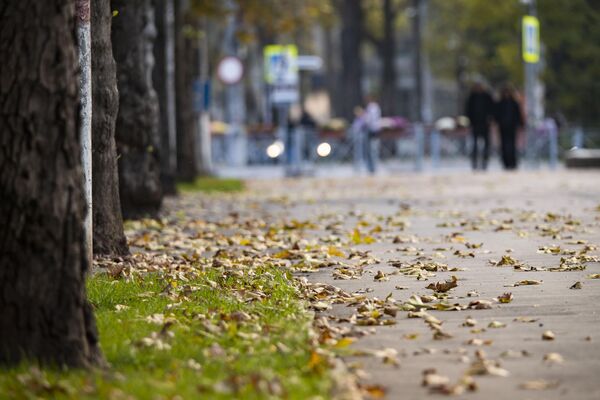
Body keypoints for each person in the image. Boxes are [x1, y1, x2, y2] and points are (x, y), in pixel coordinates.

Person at [465, 82, 494, 170]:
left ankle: (485, 162)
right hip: (475, 124)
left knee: (486, 144)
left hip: (485, 125)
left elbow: (491, 109)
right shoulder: (472, 97)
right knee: (474, 145)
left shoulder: (487, 97)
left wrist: (490, 119)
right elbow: (468, 110)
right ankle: (474, 163)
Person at [494, 85, 524, 170]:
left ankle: (513, 162)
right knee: (504, 145)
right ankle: (505, 163)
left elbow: (518, 115)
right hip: (503, 127)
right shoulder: (500, 104)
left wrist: (520, 124)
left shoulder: (514, 103)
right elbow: (496, 115)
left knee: (512, 145)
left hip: (512, 126)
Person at [363, 96, 381, 174]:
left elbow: (369, 119)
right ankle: (372, 167)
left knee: (371, 150)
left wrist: (363, 117)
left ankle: (372, 168)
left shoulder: (372, 107)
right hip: (375, 130)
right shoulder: (376, 107)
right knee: (373, 150)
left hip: (372, 131)